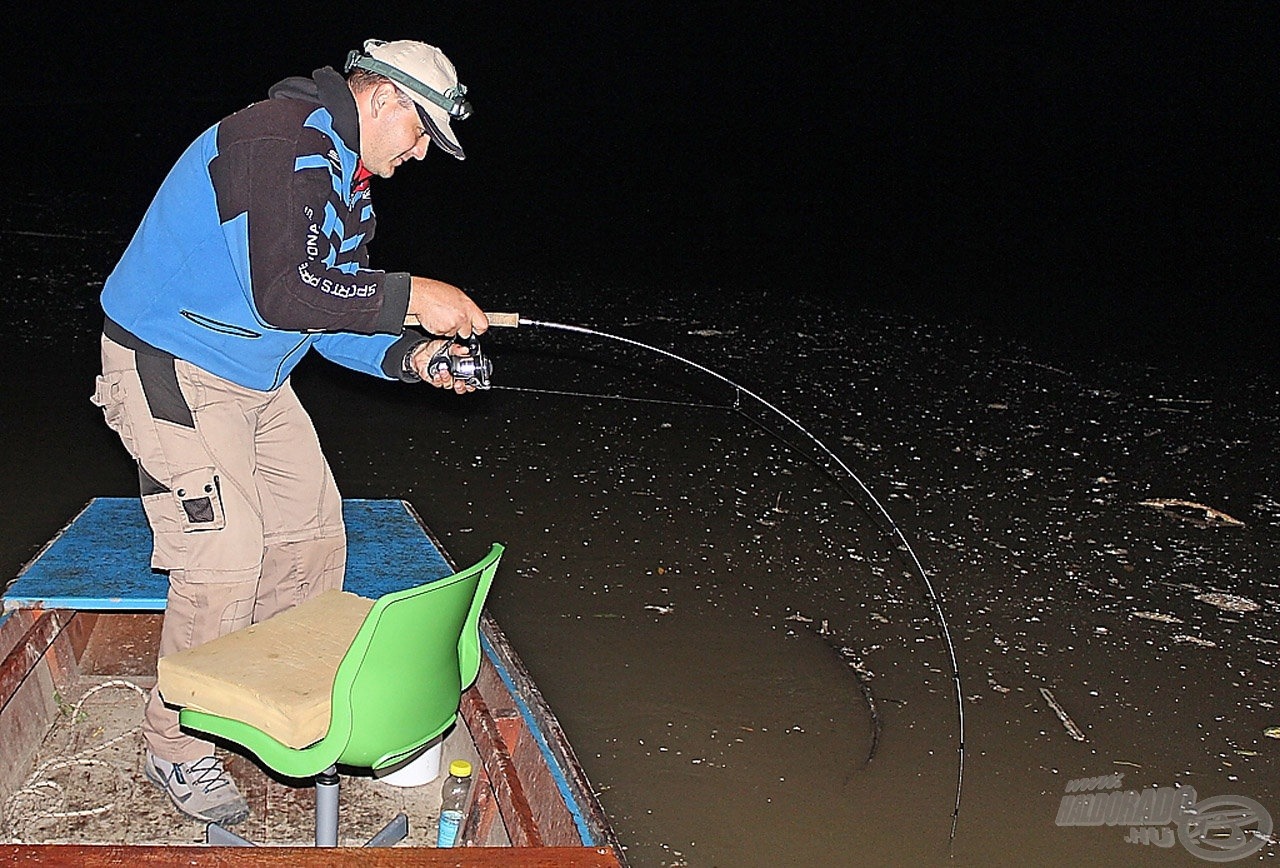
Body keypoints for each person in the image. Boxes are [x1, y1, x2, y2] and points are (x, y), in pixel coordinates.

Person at [90, 38, 487, 825]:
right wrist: (415, 294)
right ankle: (177, 749)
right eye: (420, 135)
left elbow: (326, 314)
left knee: (311, 536)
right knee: (224, 552)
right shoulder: (278, 138)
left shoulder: (348, 181)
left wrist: (415, 359)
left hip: (258, 376)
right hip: (170, 360)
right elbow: (287, 291)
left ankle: (257, 697)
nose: (420, 155)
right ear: (384, 99)